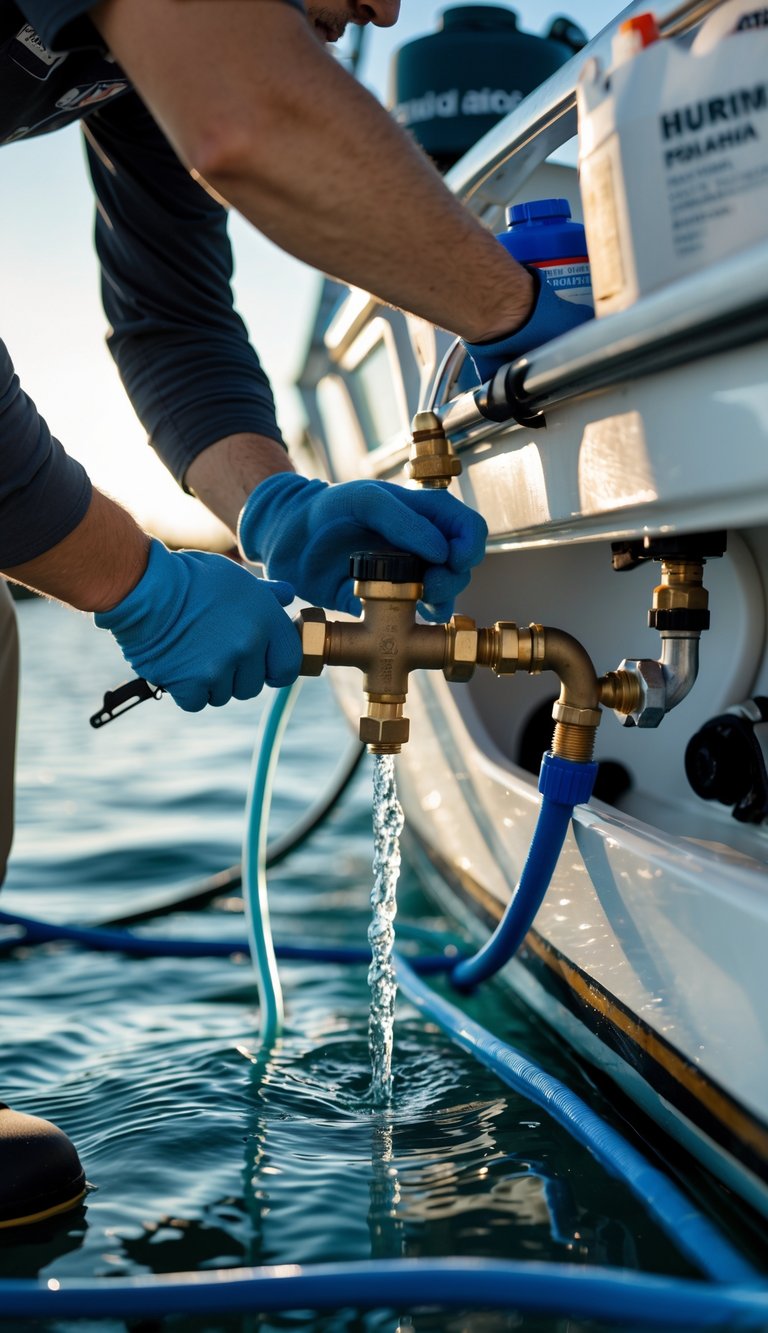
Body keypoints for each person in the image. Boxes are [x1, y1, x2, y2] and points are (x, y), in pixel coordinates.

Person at [0, 0, 592, 1226]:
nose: (381, 11)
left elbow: (171, 322)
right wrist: (526, 317)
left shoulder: (116, 56)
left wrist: (273, 507)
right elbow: (248, 121)